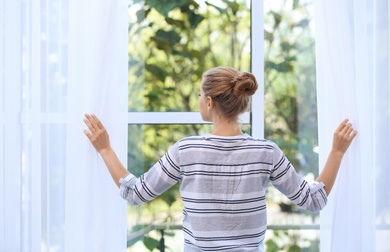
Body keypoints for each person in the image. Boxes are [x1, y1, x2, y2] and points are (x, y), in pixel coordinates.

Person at [83, 66, 357, 252]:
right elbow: (313, 199)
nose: (199, 100)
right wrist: (337, 152)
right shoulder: (266, 152)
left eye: (201, 95)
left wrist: (105, 149)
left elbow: (136, 193)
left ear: (210, 102)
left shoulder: (186, 150)